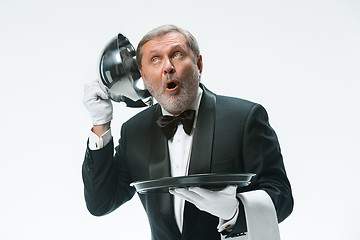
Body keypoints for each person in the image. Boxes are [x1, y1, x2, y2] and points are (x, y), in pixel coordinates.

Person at [82, 25, 293, 240]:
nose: (167, 67)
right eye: (155, 59)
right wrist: (101, 124)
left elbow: (282, 198)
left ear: (199, 64)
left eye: (176, 54)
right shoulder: (134, 131)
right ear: (143, 77)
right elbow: (101, 202)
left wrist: (235, 210)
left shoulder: (245, 118)